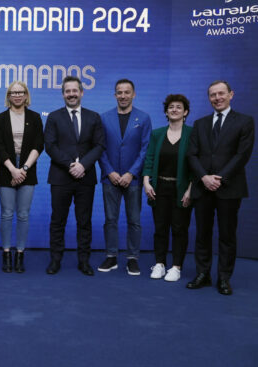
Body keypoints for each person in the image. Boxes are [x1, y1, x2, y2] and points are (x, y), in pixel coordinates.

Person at [186, 80, 254, 295]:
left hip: (229, 188)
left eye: (221, 94)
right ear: (209, 98)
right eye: (213, 95)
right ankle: (203, 274)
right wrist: (205, 178)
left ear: (231, 94)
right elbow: (191, 154)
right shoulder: (200, 124)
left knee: (227, 235)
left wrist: (220, 178)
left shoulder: (245, 121)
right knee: (202, 234)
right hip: (203, 187)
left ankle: (224, 278)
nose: (217, 98)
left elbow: (242, 155)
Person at [44, 76, 105, 276]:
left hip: (85, 178)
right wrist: (71, 164)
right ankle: (55, 260)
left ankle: (84, 261)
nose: (71, 94)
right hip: (61, 177)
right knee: (57, 221)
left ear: (81, 93)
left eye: (74, 91)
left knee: (84, 221)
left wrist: (83, 165)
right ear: (63, 94)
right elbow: (50, 146)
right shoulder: (53, 117)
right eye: (67, 91)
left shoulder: (94, 117)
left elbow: (99, 145)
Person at [97, 79, 152, 276]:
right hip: (109, 177)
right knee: (110, 219)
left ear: (134, 94)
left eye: (126, 92)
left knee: (134, 220)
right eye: (119, 92)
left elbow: (146, 149)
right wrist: (109, 171)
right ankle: (111, 256)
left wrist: (131, 173)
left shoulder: (143, 118)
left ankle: (132, 258)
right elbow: (100, 148)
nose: (123, 96)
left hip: (133, 179)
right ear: (114, 95)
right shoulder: (104, 118)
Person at [0, 81, 44, 273]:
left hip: (27, 168)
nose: (17, 95)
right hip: (6, 169)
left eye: (20, 92)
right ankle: (6, 253)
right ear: (8, 95)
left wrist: (23, 169)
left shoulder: (35, 117)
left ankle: (20, 254)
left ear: (26, 95)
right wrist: (12, 170)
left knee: (23, 215)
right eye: (13, 92)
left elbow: (39, 144)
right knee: (7, 214)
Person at [142, 94, 193, 282]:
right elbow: (149, 159)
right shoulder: (157, 134)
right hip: (159, 187)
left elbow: (196, 164)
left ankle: (176, 267)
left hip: (181, 189)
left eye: (179, 107)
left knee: (180, 228)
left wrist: (190, 189)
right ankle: (160, 264)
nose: (174, 110)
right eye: (171, 107)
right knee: (160, 228)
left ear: (185, 112)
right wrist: (146, 182)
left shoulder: (192, 134)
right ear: (166, 111)